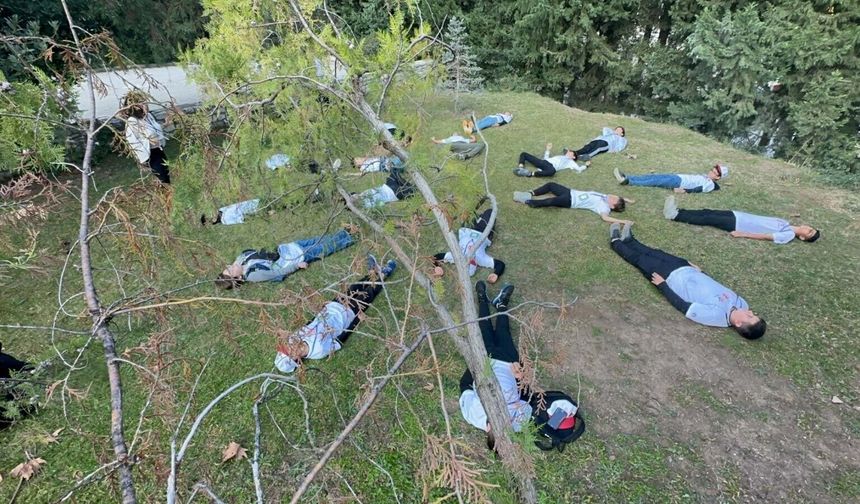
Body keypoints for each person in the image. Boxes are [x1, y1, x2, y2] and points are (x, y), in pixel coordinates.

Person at [459, 282, 583, 450]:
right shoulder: (517, 423)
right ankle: (501, 304)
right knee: (503, 331)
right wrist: (520, 378)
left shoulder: (473, 414)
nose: (504, 420)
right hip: (509, 362)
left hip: (485, 360)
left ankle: (482, 299)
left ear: (488, 430)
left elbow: (465, 385)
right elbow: (526, 397)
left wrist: (477, 365)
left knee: (484, 328)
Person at [609, 223, 766, 339]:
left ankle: (616, 242)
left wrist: (662, 285)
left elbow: (683, 306)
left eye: (750, 317)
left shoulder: (715, 317)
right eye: (753, 314)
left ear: (739, 324)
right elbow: (716, 286)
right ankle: (630, 240)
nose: (750, 312)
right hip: (687, 269)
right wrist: (700, 271)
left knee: (639, 259)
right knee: (655, 253)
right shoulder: (742, 304)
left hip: (670, 277)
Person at [274, 255, 397, 373]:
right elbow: (339, 341)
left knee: (355, 287)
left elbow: (310, 323)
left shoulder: (293, 338)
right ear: (296, 358)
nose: (288, 345)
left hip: (332, 307)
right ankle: (385, 272)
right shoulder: (318, 350)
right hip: (346, 315)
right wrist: (357, 321)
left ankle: (372, 272)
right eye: (288, 350)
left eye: (285, 347)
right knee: (368, 293)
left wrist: (322, 309)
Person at [215, 229, 355, 289]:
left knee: (318, 240)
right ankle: (349, 239)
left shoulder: (242, 262)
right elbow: (277, 273)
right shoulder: (253, 275)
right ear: (239, 278)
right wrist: (297, 266)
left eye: (228, 266)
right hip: (295, 257)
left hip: (290, 248)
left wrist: (237, 262)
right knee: (324, 248)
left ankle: (344, 233)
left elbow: (247, 253)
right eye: (231, 269)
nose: (231, 264)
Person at [663, 196, 820, 244]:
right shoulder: (786, 224)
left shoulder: (788, 235)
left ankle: (674, 216)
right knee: (707, 212)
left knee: (708, 218)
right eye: (811, 228)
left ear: (802, 237)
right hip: (738, 215)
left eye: (809, 232)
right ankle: (679, 211)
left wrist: (742, 234)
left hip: (738, 224)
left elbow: (766, 236)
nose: (808, 228)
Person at [432, 208, 505, 283]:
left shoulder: (455, 257)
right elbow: (500, 264)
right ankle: (480, 217)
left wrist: (436, 266)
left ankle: (478, 217)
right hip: (482, 232)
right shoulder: (481, 259)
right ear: (475, 263)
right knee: (490, 212)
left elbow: (436, 257)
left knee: (468, 210)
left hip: (466, 230)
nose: (469, 258)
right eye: (471, 262)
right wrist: (496, 274)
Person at [513, 183, 632, 225]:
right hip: (570, 192)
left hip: (571, 201)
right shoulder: (605, 197)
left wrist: (623, 221)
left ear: (612, 206)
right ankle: (530, 193)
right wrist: (626, 199)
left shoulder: (604, 207)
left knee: (551, 201)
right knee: (551, 185)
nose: (612, 196)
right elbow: (614, 197)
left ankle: (529, 202)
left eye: (614, 199)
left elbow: (605, 217)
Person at [123, 92, 170, 184]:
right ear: (134, 106)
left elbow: (153, 130)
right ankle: (166, 196)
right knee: (162, 179)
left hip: (159, 151)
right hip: (151, 155)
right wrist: (149, 142)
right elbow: (133, 142)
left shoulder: (148, 116)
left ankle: (170, 195)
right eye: (142, 103)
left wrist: (165, 124)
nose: (145, 104)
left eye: (145, 102)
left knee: (166, 175)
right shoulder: (132, 121)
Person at [614, 164, 728, 193]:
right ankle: (628, 176)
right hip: (678, 176)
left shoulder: (711, 184)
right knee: (653, 176)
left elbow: (698, 189)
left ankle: (629, 182)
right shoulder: (706, 176)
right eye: (712, 170)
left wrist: (684, 191)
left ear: (718, 177)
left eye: (714, 173)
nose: (711, 172)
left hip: (679, 182)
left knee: (655, 182)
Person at [513, 143, 587, 177]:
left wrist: (586, 165)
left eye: (571, 152)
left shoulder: (571, 162)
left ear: (573, 157)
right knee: (524, 154)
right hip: (544, 162)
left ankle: (530, 174)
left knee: (552, 171)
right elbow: (546, 159)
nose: (569, 151)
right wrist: (547, 150)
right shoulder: (560, 156)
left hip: (551, 168)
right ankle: (520, 168)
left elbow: (579, 169)